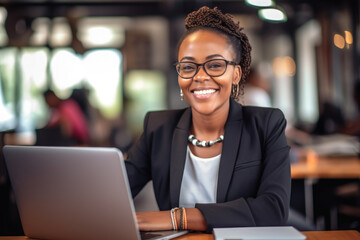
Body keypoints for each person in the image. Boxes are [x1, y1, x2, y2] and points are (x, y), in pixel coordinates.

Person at [125, 6, 291, 232]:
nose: (200, 76)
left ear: (236, 75)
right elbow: (111, 196)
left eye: (215, 65)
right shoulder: (158, 128)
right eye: (188, 66)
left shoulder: (266, 125)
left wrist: (178, 218)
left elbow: (273, 211)